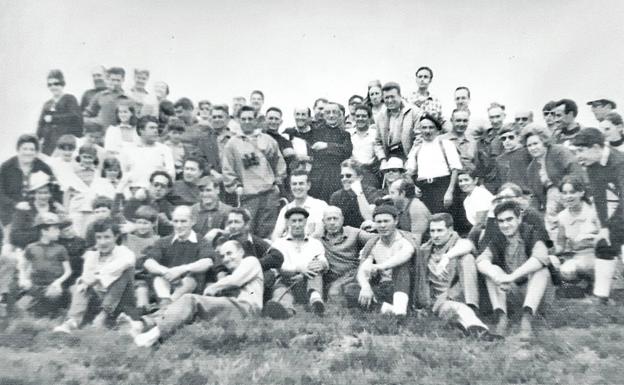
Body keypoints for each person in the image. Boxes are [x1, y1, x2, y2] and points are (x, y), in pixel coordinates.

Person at [124, 239, 263, 347]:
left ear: (241, 252)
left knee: (190, 300)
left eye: (229, 253)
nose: (226, 259)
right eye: (223, 256)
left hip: (248, 308)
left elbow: (236, 281)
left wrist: (213, 288)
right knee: (182, 306)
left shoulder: (251, 261)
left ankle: (151, 337)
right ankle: (142, 324)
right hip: (234, 310)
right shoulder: (230, 272)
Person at [476, 201, 555, 338]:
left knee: (542, 271)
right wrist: (496, 275)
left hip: (537, 293)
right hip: (513, 292)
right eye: (501, 221)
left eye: (509, 219)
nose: (505, 225)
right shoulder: (498, 239)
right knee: (491, 271)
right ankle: (502, 317)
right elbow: (481, 261)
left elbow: (540, 258)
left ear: (519, 219)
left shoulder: (532, 232)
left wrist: (510, 277)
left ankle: (527, 319)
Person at [54, 218, 137, 333]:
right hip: (98, 299)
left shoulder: (125, 253)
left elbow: (125, 263)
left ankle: (103, 316)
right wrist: (87, 281)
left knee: (125, 272)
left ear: (116, 236)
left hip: (121, 301)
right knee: (81, 282)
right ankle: (72, 321)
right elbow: (87, 278)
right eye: (99, 237)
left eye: (107, 237)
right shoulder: (92, 255)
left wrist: (97, 277)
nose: (102, 242)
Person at [421, 213, 496, 339]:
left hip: (461, 293)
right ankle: (478, 330)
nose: (435, 235)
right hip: (442, 300)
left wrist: (446, 257)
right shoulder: (426, 249)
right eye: (432, 231)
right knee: (458, 309)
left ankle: (474, 316)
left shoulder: (459, 244)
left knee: (467, 258)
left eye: (440, 230)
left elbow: (468, 244)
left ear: (450, 230)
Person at [573, 128, 624, 304]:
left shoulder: (619, 162)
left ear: (595, 147)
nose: (578, 156)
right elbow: (600, 198)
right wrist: (604, 228)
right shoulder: (593, 164)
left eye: (581, 150)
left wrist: (609, 228)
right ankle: (601, 297)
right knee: (604, 245)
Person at [221, 105, 287, 238]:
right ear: (238, 120)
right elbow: (227, 169)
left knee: (267, 232)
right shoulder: (232, 144)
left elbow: (279, 163)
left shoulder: (267, 140)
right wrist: (236, 187)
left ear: (256, 120)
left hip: (268, 194)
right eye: (243, 119)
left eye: (250, 118)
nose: (247, 122)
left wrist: (277, 183)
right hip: (248, 195)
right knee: (246, 232)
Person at [345, 204, 421, 315]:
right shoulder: (374, 244)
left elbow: (406, 253)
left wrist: (380, 266)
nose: (383, 225)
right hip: (383, 287)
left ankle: (398, 308)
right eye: (379, 222)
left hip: (403, 289)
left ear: (395, 221)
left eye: (386, 221)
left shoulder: (405, 240)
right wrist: (365, 287)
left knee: (401, 268)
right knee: (351, 290)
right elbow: (364, 268)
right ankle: (394, 311)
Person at [406, 114, 467, 233]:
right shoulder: (417, 148)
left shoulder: (446, 144)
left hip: (443, 187)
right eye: (424, 128)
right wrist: (414, 186)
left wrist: (449, 191)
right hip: (424, 190)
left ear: (437, 130)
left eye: (431, 127)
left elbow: (455, 169)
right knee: (430, 224)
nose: (427, 131)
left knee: (446, 222)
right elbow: (409, 171)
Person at [264, 208, 328, 319]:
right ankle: (286, 310)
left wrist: (321, 264)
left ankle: (315, 299)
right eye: (293, 221)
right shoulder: (279, 243)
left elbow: (323, 260)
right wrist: (299, 269)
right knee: (281, 292)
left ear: (305, 222)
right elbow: (279, 268)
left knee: (315, 272)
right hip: (286, 280)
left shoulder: (315, 243)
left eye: (300, 220)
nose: (297, 224)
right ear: (288, 222)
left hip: (307, 282)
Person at [524, 124, 586, 239]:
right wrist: (531, 214)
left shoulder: (558, 152)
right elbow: (535, 196)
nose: (532, 148)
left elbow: (575, 171)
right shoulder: (531, 168)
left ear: (544, 141)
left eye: (535, 143)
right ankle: (555, 244)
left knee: (554, 194)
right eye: (529, 145)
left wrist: (566, 191)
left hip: (573, 192)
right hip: (551, 204)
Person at [143, 206, 215, 305]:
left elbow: (207, 262)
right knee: (158, 279)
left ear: (192, 221)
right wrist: (166, 271)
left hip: (189, 293)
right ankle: (166, 303)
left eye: (183, 221)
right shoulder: (164, 241)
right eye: (175, 221)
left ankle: (167, 305)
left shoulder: (201, 241)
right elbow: (149, 262)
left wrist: (181, 269)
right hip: (167, 287)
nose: (179, 225)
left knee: (191, 279)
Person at [16, 212, 72, 318]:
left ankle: (49, 312)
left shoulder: (60, 248)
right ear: (44, 231)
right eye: (55, 229)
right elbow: (23, 266)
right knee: (20, 309)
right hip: (35, 286)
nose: (59, 232)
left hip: (52, 285)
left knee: (53, 295)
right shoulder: (31, 247)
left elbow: (68, 271)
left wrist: (58, 282)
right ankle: (37, 308)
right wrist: (23, 279)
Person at [319, 206, 375, 304]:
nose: (332, 222)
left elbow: (377, 239)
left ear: (342, 220)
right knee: (334, 292)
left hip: (352, 275)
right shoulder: (317, 238)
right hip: (331, 278)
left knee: (334, 293)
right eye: (328, 219)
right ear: (323, 222)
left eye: (335, 218)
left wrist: (367, 254)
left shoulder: (354, 232)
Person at [0, 136, 58, 227]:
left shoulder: (43, 167)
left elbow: (55, 190)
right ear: (18, 150)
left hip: (37, 213)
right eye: (25, 149)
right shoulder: (6, 167)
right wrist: (16, 204)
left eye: (32, 149)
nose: (28, 152)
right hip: (11, 213)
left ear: (36, 152)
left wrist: (51, 205)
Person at [554, 177, 600, 286]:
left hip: (598, 254)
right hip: (578, 256)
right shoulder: (562, 217)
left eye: (572, 192)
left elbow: (608, 238)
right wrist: (548, 252)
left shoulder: (593, 211)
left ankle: (600, 282)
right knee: (565, 271)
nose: (568, 196)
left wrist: (588, 238)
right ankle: (586, 284)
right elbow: (560, 244)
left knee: (584, 265)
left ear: (581, 192)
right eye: (564, 193)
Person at [306, 102, 353, 202]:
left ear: (339, 115)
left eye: (334, 112)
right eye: (328, 112)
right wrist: (336, 149)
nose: (331, 115)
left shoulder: (345, 134)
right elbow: (314, 151)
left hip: (337, 175)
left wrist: (326, 146)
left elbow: (346, 151)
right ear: (323, 115)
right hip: (318, 176)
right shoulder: (315, 132)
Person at [10, 172, 64, 251]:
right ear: (34, 194)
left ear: (50, 194)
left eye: (46, 192)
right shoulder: (25, 209)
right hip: (28, 250)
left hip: (53, 250)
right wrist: (42, 234)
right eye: (39, 193)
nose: (43, 196)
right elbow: (14, 237)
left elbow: (63, 233)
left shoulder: (55, 209)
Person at [123, 205, 160, 313]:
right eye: (139, 222)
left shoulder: (157, 240)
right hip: (129, 275)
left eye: (145, 223)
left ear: (153, 224)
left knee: (142, 288)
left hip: (146, 277)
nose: (142, 226)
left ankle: (142, 312)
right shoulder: (127, 237)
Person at [120, 115, 175, 188]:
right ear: (141, 130)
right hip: (133, 192)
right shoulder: (127, 149)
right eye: (151, 128)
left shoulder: (165, 150)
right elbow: (122, 173)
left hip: (156, 192)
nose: (156, 131)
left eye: (156, 128)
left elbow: (171, 175)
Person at [272, 170, 328, 240]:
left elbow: (319, 233)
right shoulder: (286, 209)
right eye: (294, 184)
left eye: (301, 184)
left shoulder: (319, 205)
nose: (297, 187)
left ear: (308, 186)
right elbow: (276, 235)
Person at [37, 70, 82, 155]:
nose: (53, 87)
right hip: (48, 144)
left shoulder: (69, 99)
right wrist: (37, 141)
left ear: (62, 84)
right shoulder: (47, 104)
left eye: (56, 84)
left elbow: (75, 117)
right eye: (50, 85)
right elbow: (40, 125)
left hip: (65, 144)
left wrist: (53, 119)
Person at [330, 159, 382, 229]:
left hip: (366, 232)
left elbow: (369, 218)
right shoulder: (336, 196)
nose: (344, 179)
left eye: (348, 175)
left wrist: (359, 193)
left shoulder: (371, 192)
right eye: (341, 176)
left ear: (359, 178)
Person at [374, 82, 420, 162]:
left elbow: (419, 139)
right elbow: (378, 142)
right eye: (386, 98)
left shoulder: (414, 112)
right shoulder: (380, 116)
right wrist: (383, 160)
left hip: (410, 156)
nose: (389, 100)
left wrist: (411, 160)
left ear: (400, 96)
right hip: (389, 158)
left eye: (392, 97)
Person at [123, 171, 175, 237]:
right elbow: (123, 219)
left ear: (167, 190)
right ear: (150, 185)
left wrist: (167, 223)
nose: (158, 189)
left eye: (163, 186)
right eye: (156, 185)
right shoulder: (138, 199)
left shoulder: (167, 206)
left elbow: (171, 232)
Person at [386, 177, 431, 244]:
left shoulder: (416, 208)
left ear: (402, 193)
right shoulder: (400, 206)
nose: (389, 196)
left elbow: (416, 241)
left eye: (392, 193)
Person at [493, 123, 532, 191]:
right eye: (503, 138)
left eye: (511, 137)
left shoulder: (528, 152)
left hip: (526, 194)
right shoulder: (499, 159)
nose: (507, 141)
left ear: (519, 137)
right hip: (508, 194)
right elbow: (499, 181)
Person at [350, 104, 380, 187]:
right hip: (351, 172)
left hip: (369, 173)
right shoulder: (348, 134)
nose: (360, 118)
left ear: (369, 118)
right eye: (358, 116)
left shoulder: (375, 134)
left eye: (364, 116)